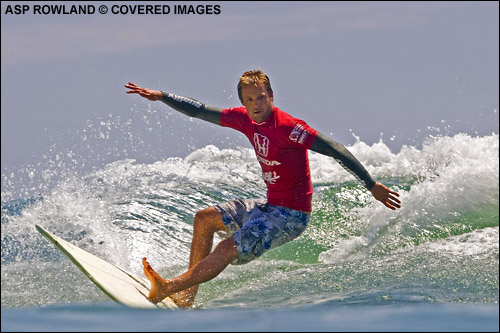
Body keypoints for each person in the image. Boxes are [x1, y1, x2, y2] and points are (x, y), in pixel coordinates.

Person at [124, 69, 401, 308]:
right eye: (249, 99)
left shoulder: (289, 128)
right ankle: (186, 298)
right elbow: (199, 110)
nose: (256, 105)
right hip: (268, 206)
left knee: (225, 247)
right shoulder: (244, 118)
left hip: (291, 217)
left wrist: (370, 184)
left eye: (261, 97)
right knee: (204, 218)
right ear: (242, 102)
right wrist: (162, 96)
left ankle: (169, 287)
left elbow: (335, 149)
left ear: (271, 96)